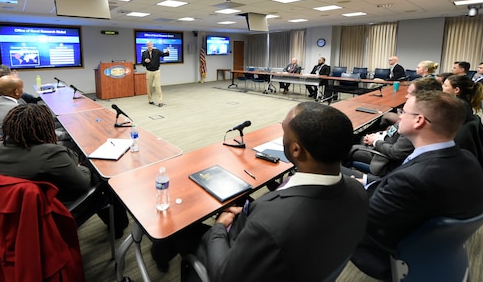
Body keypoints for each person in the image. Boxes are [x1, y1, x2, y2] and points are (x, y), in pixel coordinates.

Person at [154, 102, 369, 280]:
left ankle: (160, 257)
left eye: (284, 130)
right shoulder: (358, 191)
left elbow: (224, 275)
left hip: (233, 251)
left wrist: (219, 226)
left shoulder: (270, 224)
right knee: (240, 198)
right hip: (290, 258)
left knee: (176, 222)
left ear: (296, 149)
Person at [351, 90, 483, 280]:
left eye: (404, 112)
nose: (399, 117)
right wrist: (364, 181)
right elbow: (405, 186)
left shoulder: (413, 179)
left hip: (384, 251)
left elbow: (367, 223)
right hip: (431, 240)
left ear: (419, 121)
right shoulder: (466, 157)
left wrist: (342, 191)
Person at [0, 103, 129, 236]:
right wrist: (81, 166)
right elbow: (84, 183)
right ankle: (119, 226)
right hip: (55, 209)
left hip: (16, 208)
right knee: (102, 175)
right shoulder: (51, 154)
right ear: (44, 128)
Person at [346, 78, 443, 182]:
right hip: (385, 141)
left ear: (421, 96)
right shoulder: (419, 116)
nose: (406, 96)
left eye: (409, 94)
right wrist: (379, 136)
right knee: (355, 137)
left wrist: (375, 141)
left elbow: (396, 153)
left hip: (383, 156)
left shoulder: (414, 124)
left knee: (344, 149)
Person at [142, 41, 169, 107]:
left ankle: (160, 101)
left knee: (158, 86)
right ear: (147, 46)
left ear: (152, 45)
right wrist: (145, 61)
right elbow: (143, 64)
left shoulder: (157, 51)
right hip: (149, 71)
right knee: (149, 87)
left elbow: (163, 54)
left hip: (156, 71)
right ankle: (150, 100)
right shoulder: (144, 53)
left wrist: (167, 52)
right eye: (148, 45)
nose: (150, 46)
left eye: (151, 45)